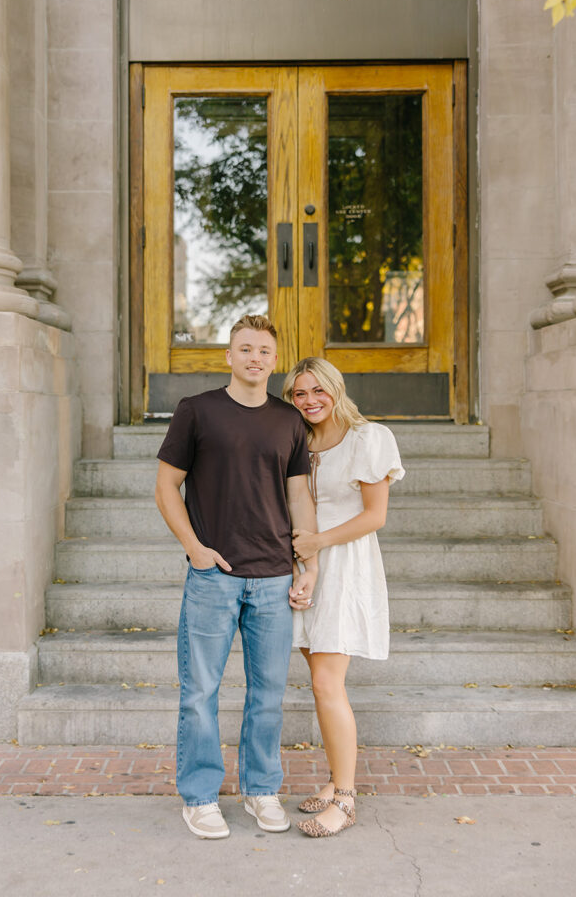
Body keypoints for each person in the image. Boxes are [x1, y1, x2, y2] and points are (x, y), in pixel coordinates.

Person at [155, 314, 318, 840]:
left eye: (264, 351)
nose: (254, 358)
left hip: (272, 577)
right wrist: (195, 550)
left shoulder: (289, 420)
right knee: (200, 690)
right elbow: (166, 487)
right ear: (228, 356)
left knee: (267, 693)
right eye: (244, 348)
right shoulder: (196, 412)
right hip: (214, 577)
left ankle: (261, 790)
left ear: (275, 360)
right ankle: (199, 798)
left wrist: (306, 564)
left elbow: (299, 497)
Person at [282, 357, 405, 838]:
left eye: (318, 391)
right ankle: (334, 782)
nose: (310, 401)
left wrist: (318, 544)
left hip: (345, 564)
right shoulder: (302, 442)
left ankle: (347, 800)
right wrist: (305, 561)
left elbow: (376, 515)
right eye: (299, 394)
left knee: (327, 683)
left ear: (336, 388)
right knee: (319, 679)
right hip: (308, 567)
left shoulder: (368, 438)